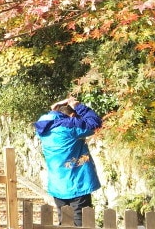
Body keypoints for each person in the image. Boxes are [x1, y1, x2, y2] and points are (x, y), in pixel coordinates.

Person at [34, 96, 103, 227]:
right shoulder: (68, 127)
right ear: (72, 116)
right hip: (77, 184)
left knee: (65, 223)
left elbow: (48, 118)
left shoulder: (43, 127)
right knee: (81, 223)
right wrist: (78, 106)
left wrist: (53, 110)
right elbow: (95, 123)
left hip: (57, 185)